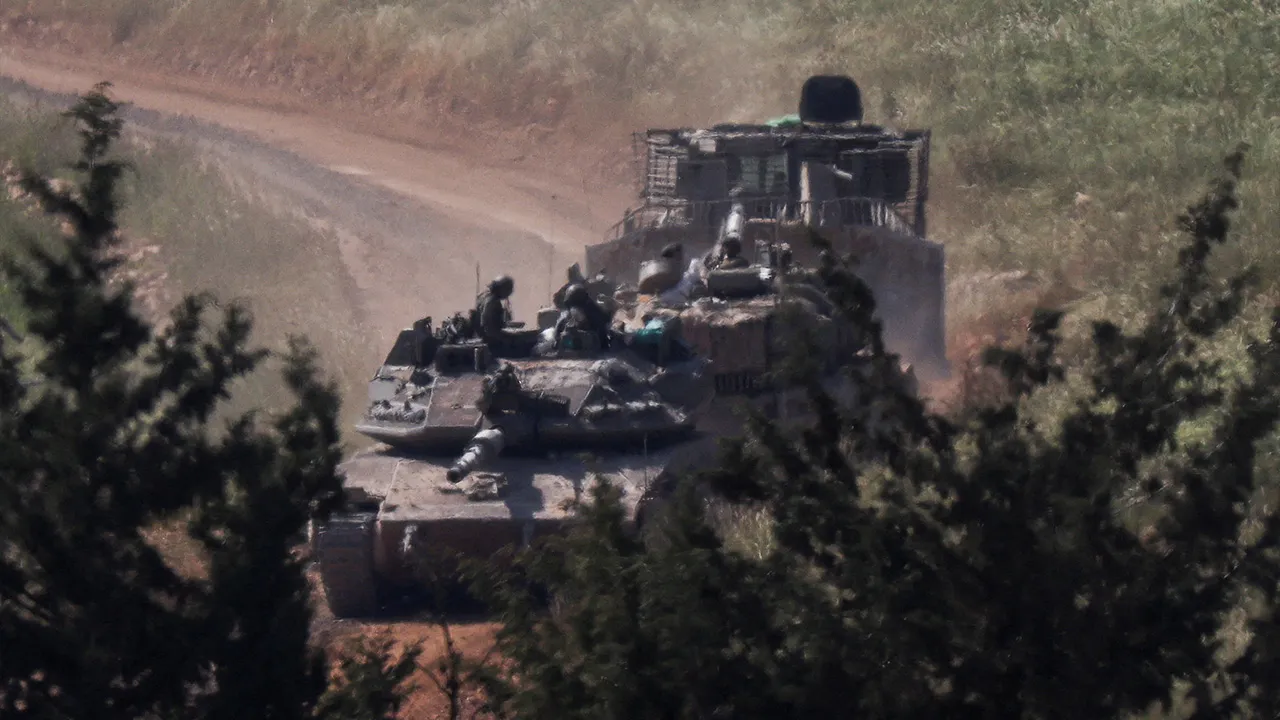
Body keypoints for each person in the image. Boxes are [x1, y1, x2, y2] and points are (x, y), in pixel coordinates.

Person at [555, 283, 612, 351]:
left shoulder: (593, 312)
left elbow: (603, 327)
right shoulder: (567, 316)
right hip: (581, 345)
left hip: (591, 346)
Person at [475, 275, 515, 346]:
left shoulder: (486, 296)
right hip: (491, 341)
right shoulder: (491, 301)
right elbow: (488, 327)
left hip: (486, 337)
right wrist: (505, 338)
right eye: (508, 289)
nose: (509, 293)